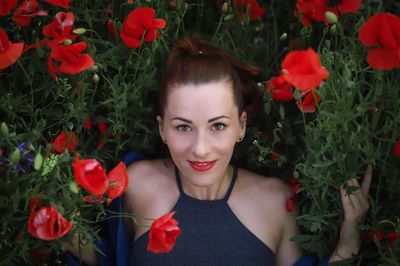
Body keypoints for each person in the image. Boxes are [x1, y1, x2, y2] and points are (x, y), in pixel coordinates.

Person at [66, 36, 372, 266]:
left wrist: (348, 239)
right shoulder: (136, 184)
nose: (200, 149)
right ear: (162, 129)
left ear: (241, 126)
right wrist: (64, 224)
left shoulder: (277, 202)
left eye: (218, 126)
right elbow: (101, 258)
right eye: (183, 127)